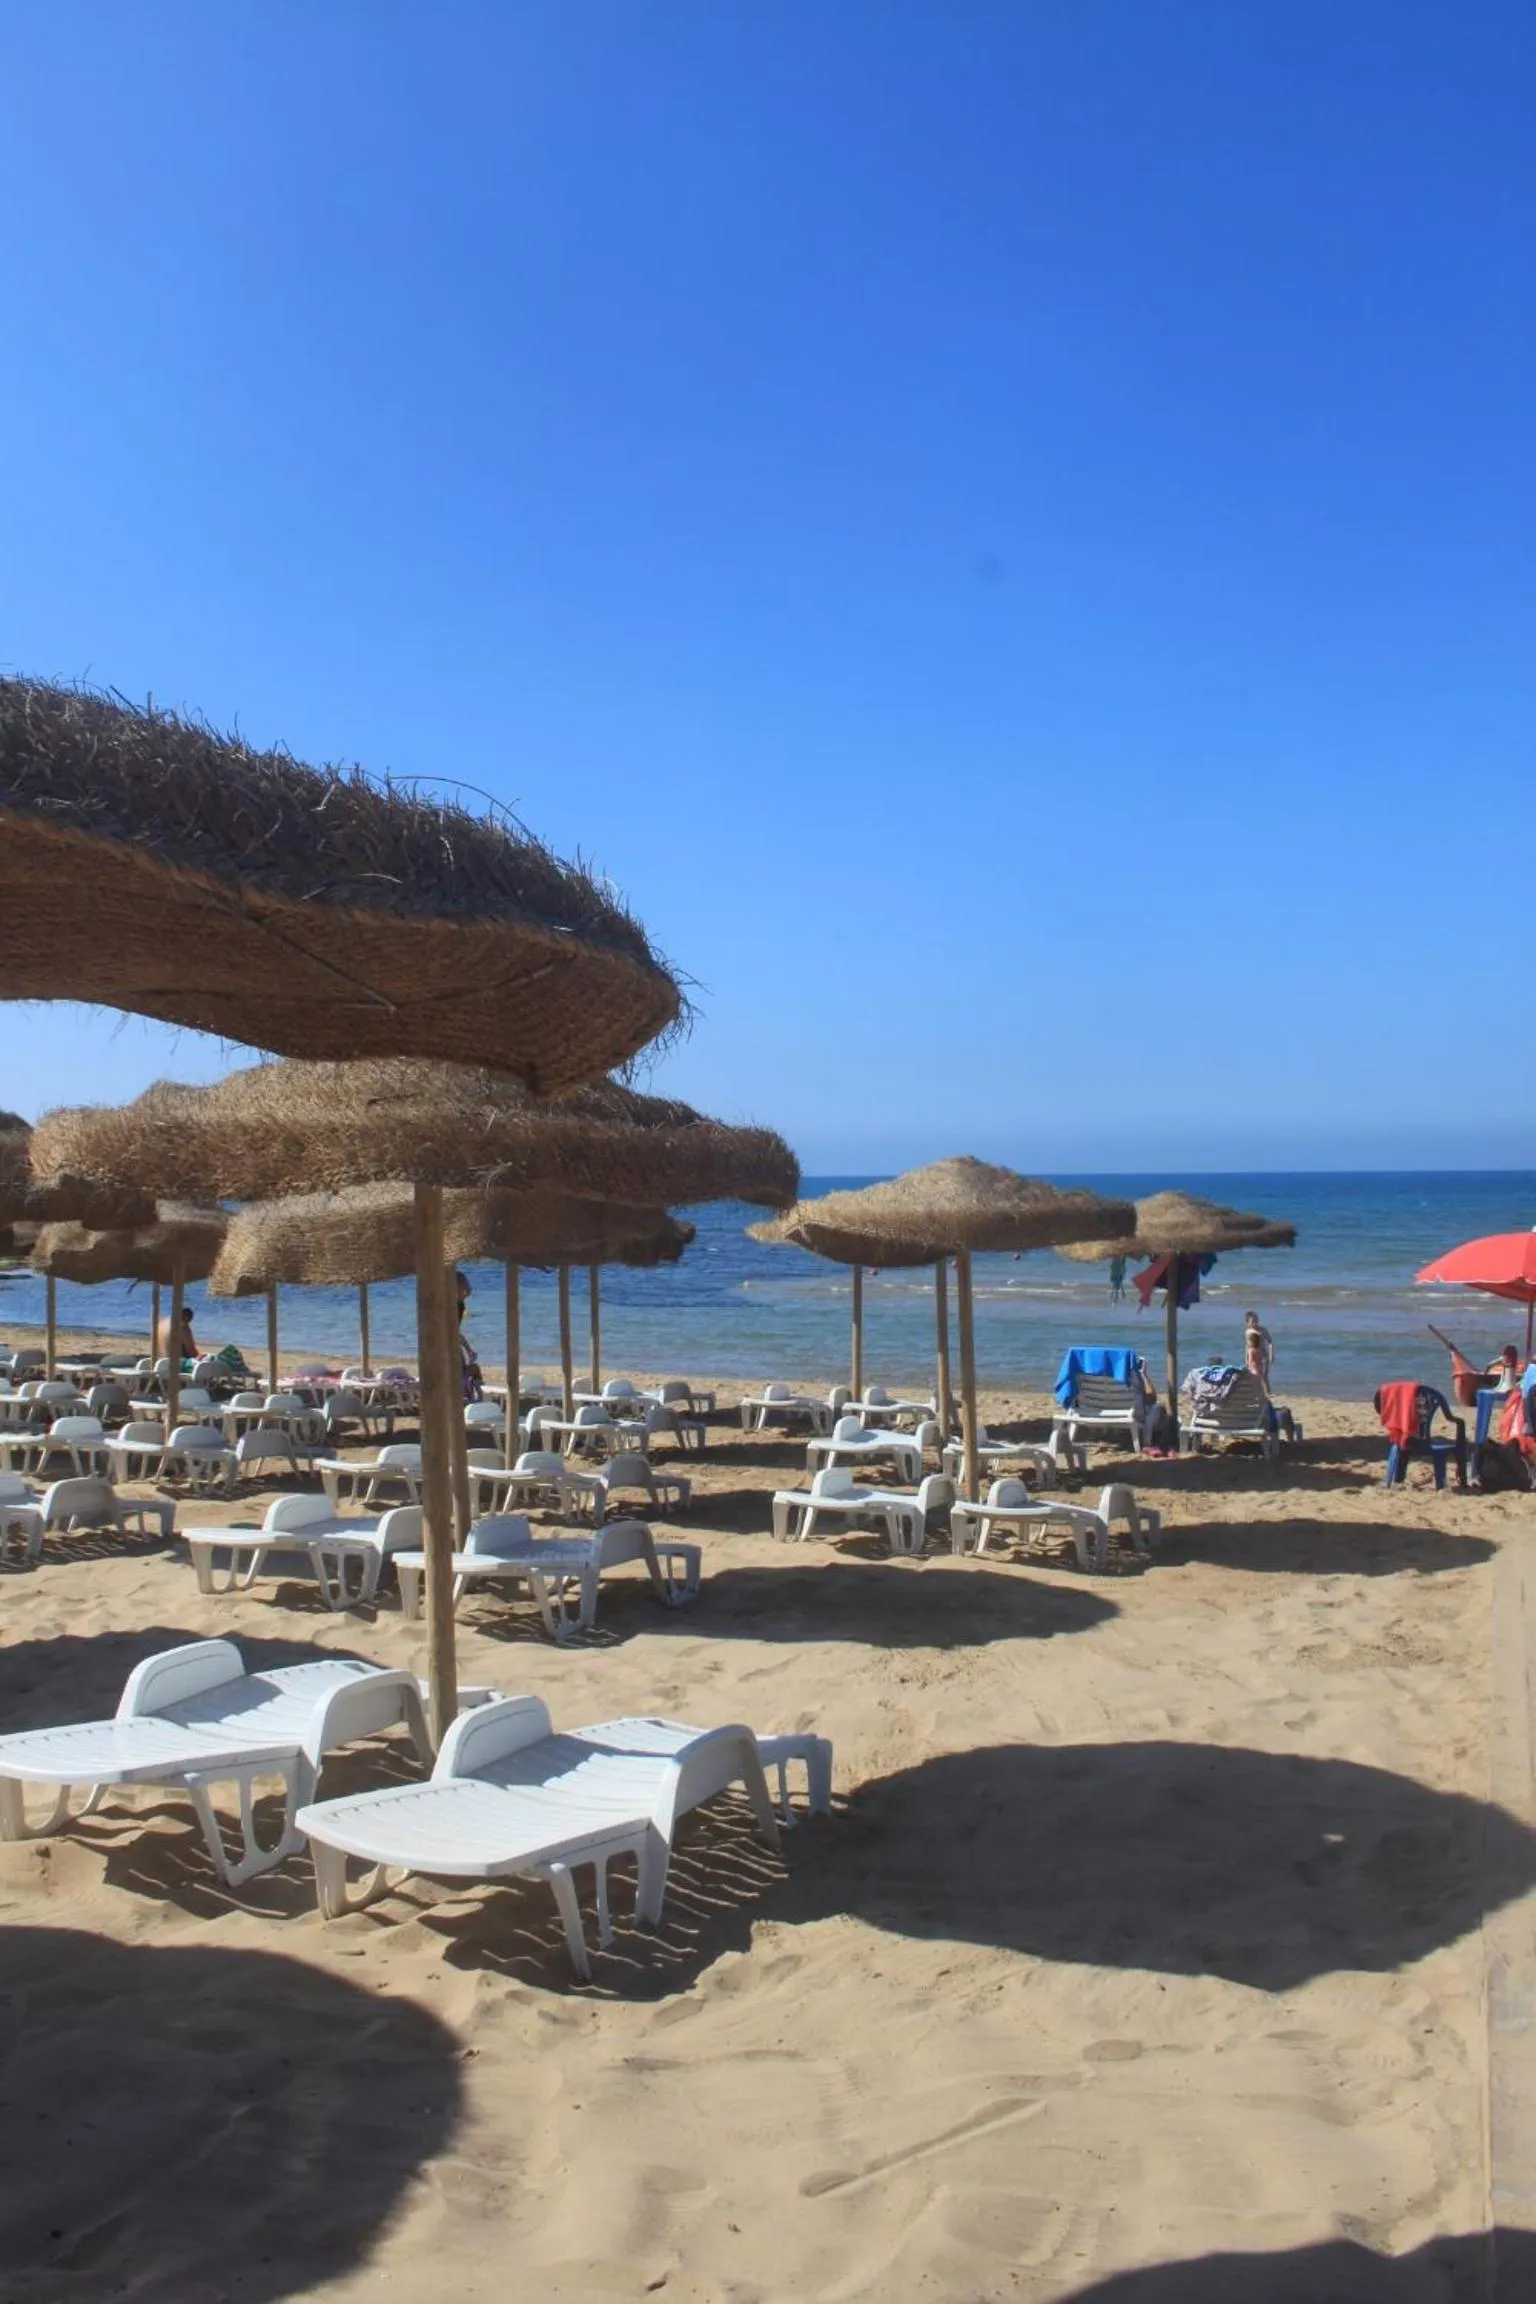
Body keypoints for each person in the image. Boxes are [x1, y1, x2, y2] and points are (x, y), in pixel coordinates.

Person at [455, 1268, 483, 1401]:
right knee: (467, 1370)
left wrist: (468, 1350)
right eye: (465, 1284)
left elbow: (455, 1331)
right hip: (450, 1346)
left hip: (452, 1344)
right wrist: (468, 1349)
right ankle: (475, 1396)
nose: (467, 1289)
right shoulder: (453, 1305)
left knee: (471, 1369)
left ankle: (476, 1396)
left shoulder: (459, 1304)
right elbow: (453, 1331)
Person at [1243, 1310, 1274, 1389]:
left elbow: (1270, 1342)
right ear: (1247, 1323)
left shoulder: (1262, 1330)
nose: (1255, 1323)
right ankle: (1257, 1392)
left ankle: (1269, 1393)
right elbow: (1247, 1346)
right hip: (1252, 1356)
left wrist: (1271, 1354)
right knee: (1253, 1375)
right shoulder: (1248, 1331)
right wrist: (1246, 1357)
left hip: (1263, 1355)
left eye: (1256, 1320)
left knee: (1264, 1375)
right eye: (1252, 1321)